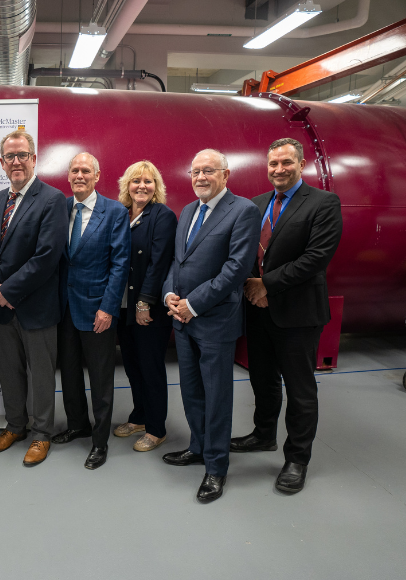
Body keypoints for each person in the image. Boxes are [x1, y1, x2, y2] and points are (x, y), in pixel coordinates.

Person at [232, 137, 343, 493]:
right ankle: (263, 435)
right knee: (262, 381)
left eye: (286, 163)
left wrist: (267, 285)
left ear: (301, 163)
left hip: (297, 314)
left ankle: (297, 458)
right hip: (258, 311)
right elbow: (247, 250)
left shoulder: (324, 203)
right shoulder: (257, 203)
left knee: (300, 389)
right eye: (273, 164)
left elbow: (316, 258)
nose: (279, 169)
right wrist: (251, 286)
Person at [161, 149, 259, 502]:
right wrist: (170, 293)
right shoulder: (188, 210)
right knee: (191, 392)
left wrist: (193, 304)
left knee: (217, 397)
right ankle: (199, 448)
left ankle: (216, 467)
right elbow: (178, 262)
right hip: (183, 321)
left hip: (214, 322)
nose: (200, 177)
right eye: (195, 171)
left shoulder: (243, 211)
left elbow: (236, 269)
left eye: (208, 171)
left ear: (226, 174)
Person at [0, 130, 68, 466]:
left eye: (22, 155)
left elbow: (47, 256)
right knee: (10, 372)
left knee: (42, 374)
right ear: (2, 163)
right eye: (10, 157)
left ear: (33, 159)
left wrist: (8, 291)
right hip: (3, 309)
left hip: (37, 307)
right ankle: (16, 426)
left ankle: (42, 434)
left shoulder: (52, 199)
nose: (16, 162)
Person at [52, 152, 130, 470]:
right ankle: (77, 425)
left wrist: (108, 308)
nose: (79, 175)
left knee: (100, 378)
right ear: (68, 176)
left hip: (97, 309)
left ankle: (99, 441)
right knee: (69, 372)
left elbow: (120, 263)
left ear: (97, 176)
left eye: (86, 170)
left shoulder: (113, 212)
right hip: (63, 308)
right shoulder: (60, 209)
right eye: (74, 170)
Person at [113, 161, 178, 453]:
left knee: (151, 368)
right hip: (123, 307)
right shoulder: (122, 214)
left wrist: (144, 303)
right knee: (132, 366)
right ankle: (139, 417)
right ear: (127, 185)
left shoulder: (162, 216)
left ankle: (156, 428)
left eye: (148, 181)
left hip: (147, 308)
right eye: (136, 181)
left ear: (157, 187)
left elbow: (158, 263)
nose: (142, 186)